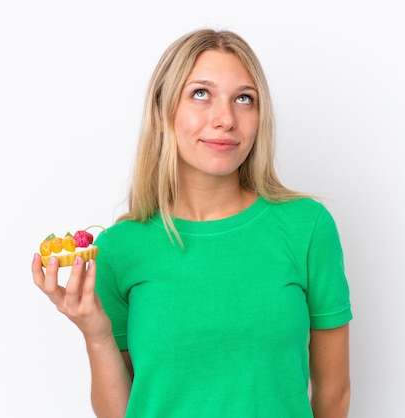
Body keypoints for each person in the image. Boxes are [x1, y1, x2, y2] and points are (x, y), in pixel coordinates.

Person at [32, 28, 352, 418]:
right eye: (201, 94)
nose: (225, 119)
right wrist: (96, 334)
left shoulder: (307, 227)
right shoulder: (119, 248)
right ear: (163, 113)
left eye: (244, 99)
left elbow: (333, 396)